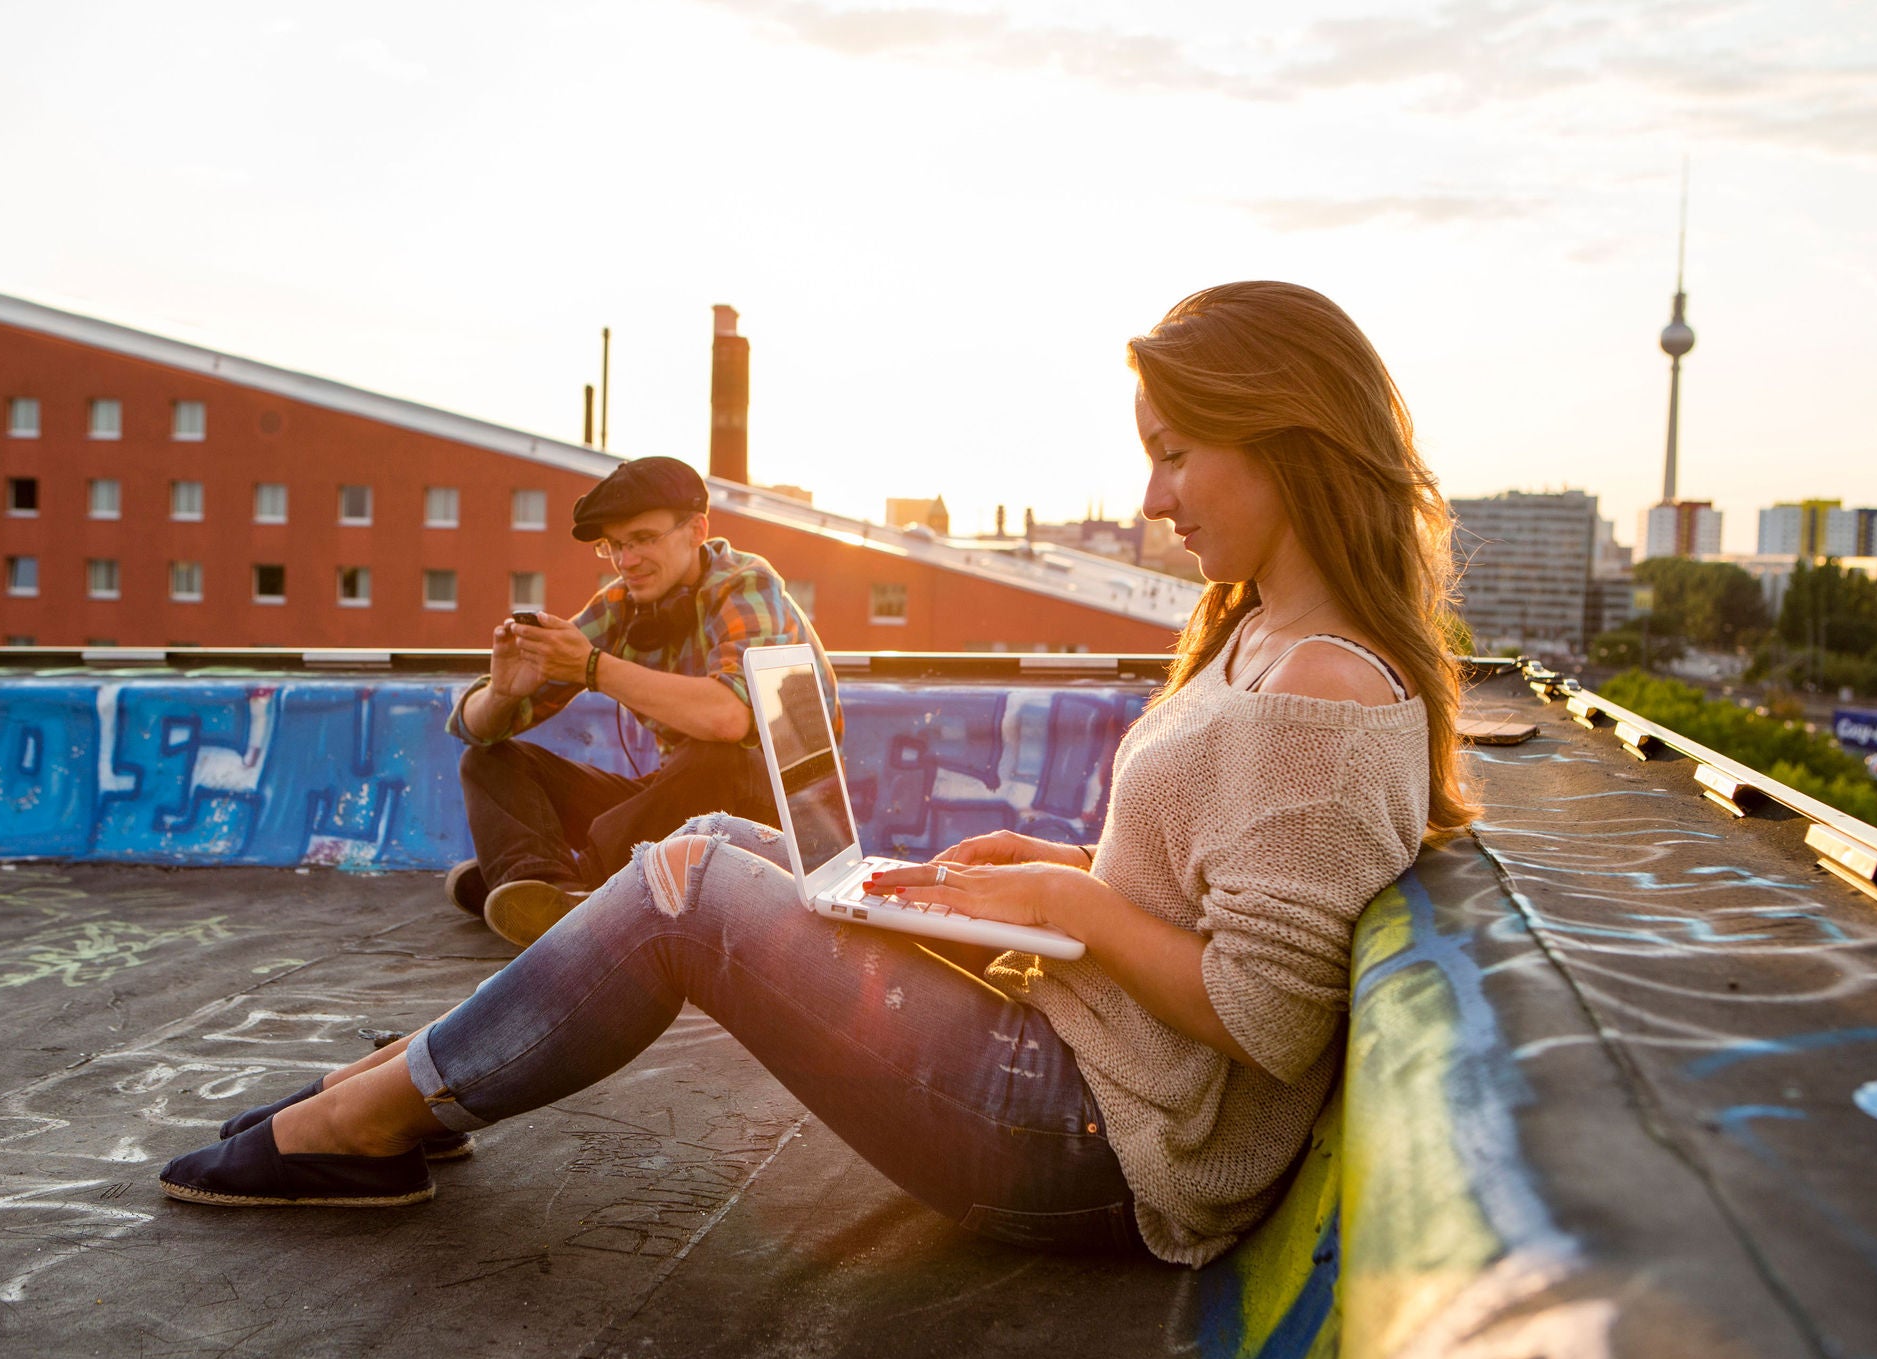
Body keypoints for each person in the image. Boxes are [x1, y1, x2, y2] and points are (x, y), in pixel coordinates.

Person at [159, 282, 1476, 1269]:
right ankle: (420, 1080)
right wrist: (1059, 867)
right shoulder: (1263, 640)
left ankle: (377, 1116)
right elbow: (1214, 893)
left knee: (686, 897)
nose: (1152, 496)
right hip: (1073, 1069)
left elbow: (1266, 1015)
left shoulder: (1328, 690)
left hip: (1096, 1145)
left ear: (1290, 436)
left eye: (1178, 451)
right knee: (720, 839)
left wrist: (1074, 912)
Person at [445, 455, 839, 948]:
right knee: (490, 761)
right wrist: (502, 694)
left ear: (697, 529)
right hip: (679, 807)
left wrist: (592, 668)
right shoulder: (620, 605)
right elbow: (477, 728)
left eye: (645, 539)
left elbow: (729, 719)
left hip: (778, 817)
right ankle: (552, 890)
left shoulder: (746, 585)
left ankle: (566, 882)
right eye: (615, 545)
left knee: (715, 757)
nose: (627, 560)